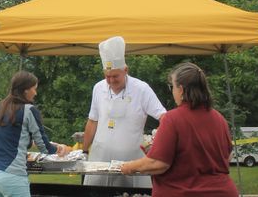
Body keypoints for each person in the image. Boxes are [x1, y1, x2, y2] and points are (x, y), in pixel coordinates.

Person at [121, 62, 239, 196]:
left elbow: (158, 163)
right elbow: (227, 156)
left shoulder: (172, 119)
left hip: (183, 192)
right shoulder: (220, 119)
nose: (172, 91)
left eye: (172, 87)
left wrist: (129, 167)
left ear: (181, 90)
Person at [82, 36, 166, 188]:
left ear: (125, 70)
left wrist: (156, 142)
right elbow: (92, 120)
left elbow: (164, 117)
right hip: (100, 158)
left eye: (116, 76)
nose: (111, 80)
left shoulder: (141, 89)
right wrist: (84, 151)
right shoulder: (98, 88)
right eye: (107, 76)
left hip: (132, 160)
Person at [0, 70, 71, 197]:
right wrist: (59, 148)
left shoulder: (0, 106)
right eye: (34, 89)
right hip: (11, 173)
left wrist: (29, 143)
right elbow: (44, 147)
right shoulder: (29, 110)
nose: (35, 93)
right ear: (25, 90)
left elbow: (10, 137)